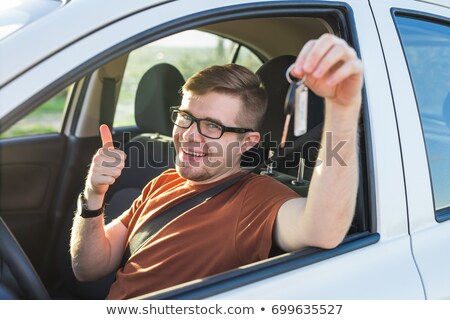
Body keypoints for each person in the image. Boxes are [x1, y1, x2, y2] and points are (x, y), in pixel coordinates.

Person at [70, 34, 363, 299]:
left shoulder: (258, 198)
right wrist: (94, 194)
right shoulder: (164, 182)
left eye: (212, 126)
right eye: (185, 117)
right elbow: (89, 268)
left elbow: (323, 230)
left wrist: (342, 108)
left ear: (248, 142)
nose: (189, 135)